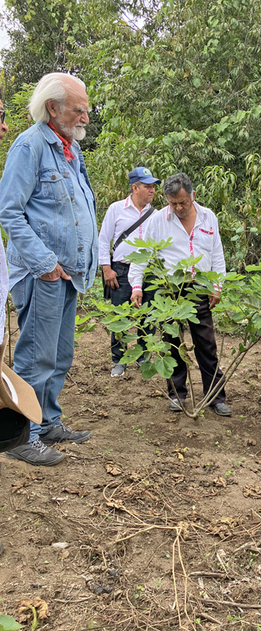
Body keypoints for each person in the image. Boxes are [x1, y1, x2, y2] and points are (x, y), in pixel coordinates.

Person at [0, 72, 98, 466]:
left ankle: (49, 420)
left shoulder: (70, 150)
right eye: (79, 110)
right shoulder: (30, 147)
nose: (86, 117)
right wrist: (45, 264)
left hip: (68, 274)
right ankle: (22, 435)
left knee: (60, 354)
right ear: (53, 108)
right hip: (44, 274)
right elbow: (9, 211)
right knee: (35, 357)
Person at [128, 172, 232, 416]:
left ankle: (215, 396)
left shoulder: (208, 218)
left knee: (206, 344)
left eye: (183, 203)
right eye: (173, 203)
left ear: (193, 195)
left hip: (200, 287)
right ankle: (177, 394)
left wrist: (217, 286)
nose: (178, 207)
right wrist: (137, 286)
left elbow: (217, 253)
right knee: (171, 342)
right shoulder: (157, 221)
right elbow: (143, 255)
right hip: (169, 289)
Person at [99, 166, 160, 377]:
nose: (152, 190)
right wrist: (106, 268)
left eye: (153, 187)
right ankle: (119, 359)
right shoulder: (116, 209)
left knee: (149, 314)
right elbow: (104, 239)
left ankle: (144, 356)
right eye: (147, 186)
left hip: (150, 271)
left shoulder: (157, 215)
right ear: (135, 187)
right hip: (121, 270)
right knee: (120, 315)